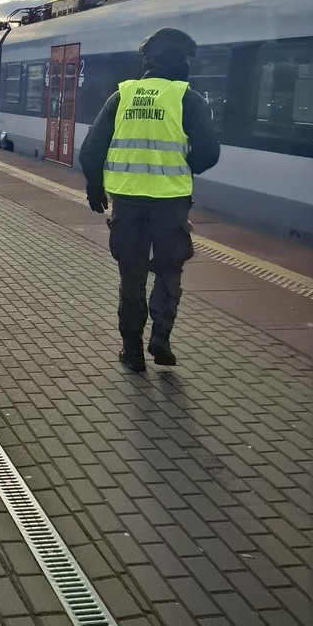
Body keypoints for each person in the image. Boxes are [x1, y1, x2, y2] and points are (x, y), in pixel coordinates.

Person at [79, 27, 220, 372]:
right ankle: (161, 337)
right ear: (180, 63)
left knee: (132, 278)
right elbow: (208, 153)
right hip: (170, 204)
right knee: (169, 271)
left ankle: (132, 352)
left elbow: (91, 149)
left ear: (148, 61)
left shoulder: (122, 96)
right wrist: (183, 167)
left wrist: (95, 187)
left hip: (127, 204)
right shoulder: (187, 99)